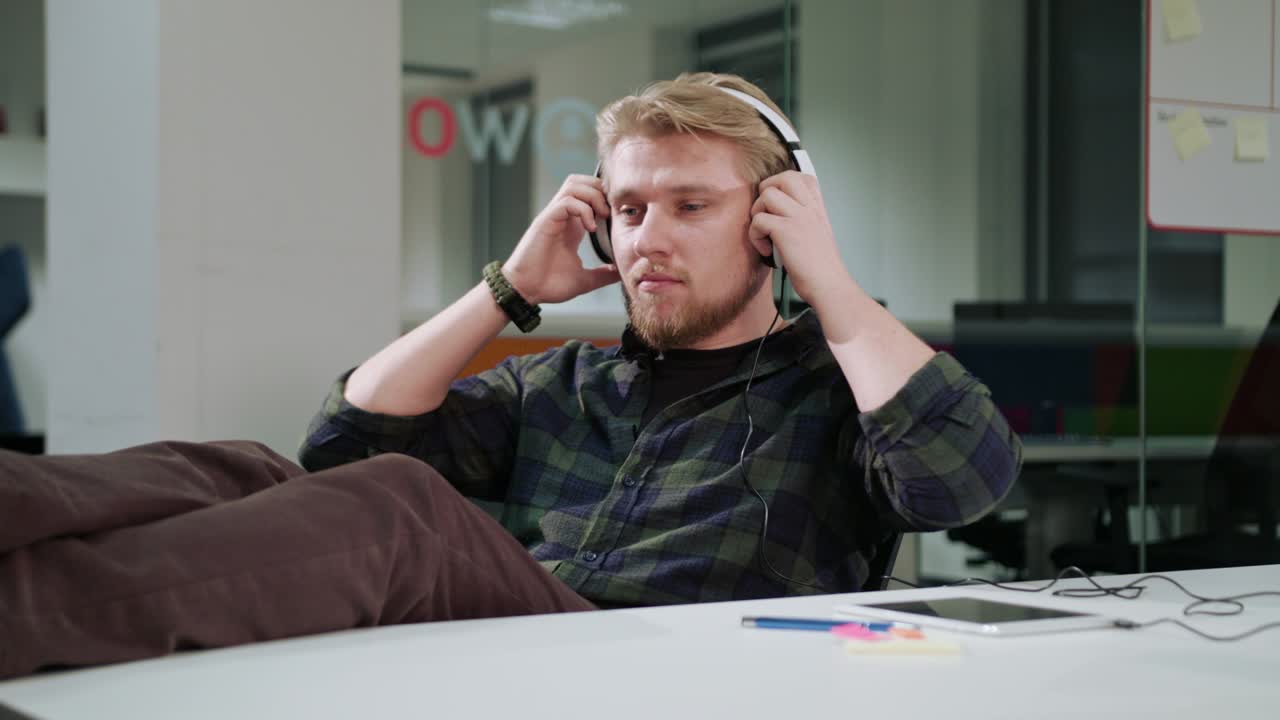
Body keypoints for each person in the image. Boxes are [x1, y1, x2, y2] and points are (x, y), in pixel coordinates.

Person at [0, 73, 1021, 680]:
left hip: (662, 671)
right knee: (240, 465)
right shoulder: (563, 382)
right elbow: (339, 446)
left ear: (772, 220)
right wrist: (508, 288)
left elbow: (962, 478)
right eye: (627, 209)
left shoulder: (837, 385)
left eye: (688, 207)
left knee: (403, 508)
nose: (645, 240)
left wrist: (828, 281)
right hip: (525, 646)